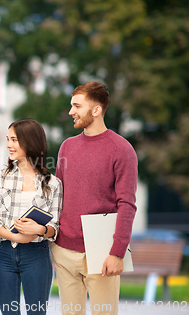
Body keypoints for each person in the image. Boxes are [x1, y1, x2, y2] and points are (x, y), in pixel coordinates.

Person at [52, 81, 138, 315]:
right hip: (64, 250)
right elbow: (57, 196)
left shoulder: (122, 149)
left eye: (77, 106)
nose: (71, 111)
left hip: (101, 253)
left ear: (96, 110)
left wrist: (117, 252)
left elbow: (127, 204)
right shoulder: (66, 147)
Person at [0, 119, 62, 315]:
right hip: (4, 254)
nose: (8, 145)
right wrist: (15, 237)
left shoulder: (53, 183)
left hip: (36, 255)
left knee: (36, 312)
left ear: (30, 141)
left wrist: (40, 229)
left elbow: (55, 225)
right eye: (8, 139)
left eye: (14, 140)